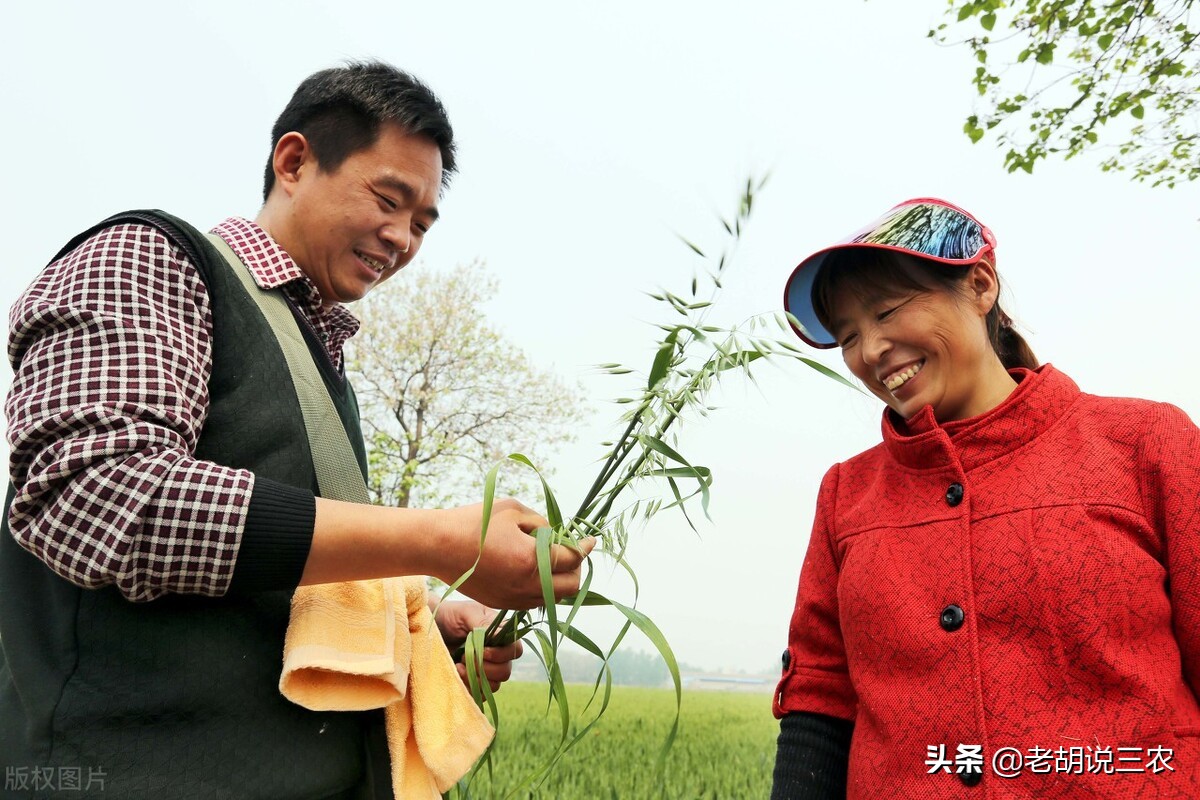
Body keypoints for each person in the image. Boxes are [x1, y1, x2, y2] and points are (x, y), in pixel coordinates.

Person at [0, 61, 592, 799]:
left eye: (422, 223)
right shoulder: (151, 258)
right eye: (388, 199)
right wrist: (443, 541)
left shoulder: (318, 357)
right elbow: (99, 493)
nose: (402, 237)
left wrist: (425, 630)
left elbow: (285, 589)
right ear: (293, 161)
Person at [771, 197, 1200, 799]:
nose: (869, 351)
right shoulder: (847, 496)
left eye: (888, 310)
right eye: (847, 336)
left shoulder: (1144, 445)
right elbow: (820, 701)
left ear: (979, 284)